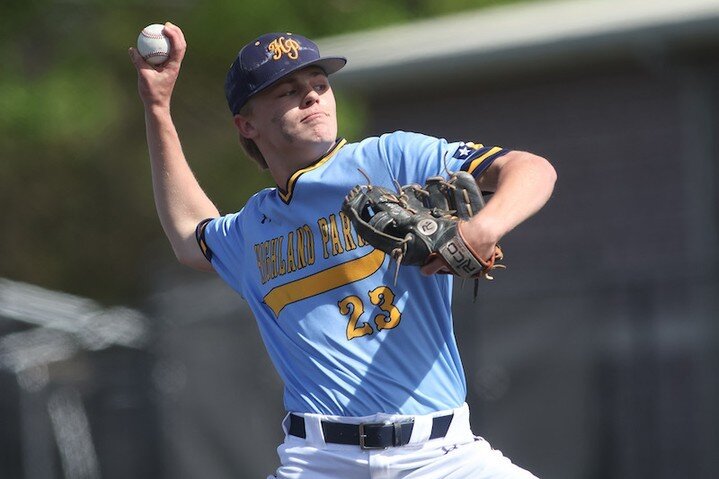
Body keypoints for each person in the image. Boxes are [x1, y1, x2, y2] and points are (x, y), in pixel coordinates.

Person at [129, 23, 556, 479]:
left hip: (442, 457)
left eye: (319, 84)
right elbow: (188, 234)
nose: (312, 96)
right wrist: (157, 107)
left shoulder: (391, 159)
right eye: (288, 91)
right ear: (246, 123)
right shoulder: (253, 227)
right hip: (319, 462)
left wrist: (483, 228)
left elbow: (530, 168)